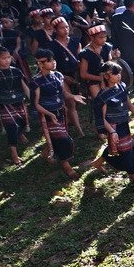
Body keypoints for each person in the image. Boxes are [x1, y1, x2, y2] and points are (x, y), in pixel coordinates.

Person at [94, 61, 134, 191]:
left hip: (124, 124)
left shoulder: (122, 86)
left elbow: (129, 104)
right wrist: (112, 132)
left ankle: (100, 161)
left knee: (125, 148)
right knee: (128, 152)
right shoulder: (102, 96)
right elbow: (102, 118)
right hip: (114, 127)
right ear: (107, 76)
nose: (119, 76)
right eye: (115, 73)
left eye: (119, 73)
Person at [31, 48, 86, 179]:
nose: (53, 63)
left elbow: (62, 93)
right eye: (49, 61)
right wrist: (50, 115)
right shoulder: (36, 82)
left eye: (53, 59)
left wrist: (73, 97)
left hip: (60, 112)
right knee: (64, 140)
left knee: (57, 137)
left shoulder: (58, 76)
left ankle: (46, 152)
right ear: (40, 64)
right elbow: (36, 104)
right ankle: (66, 164)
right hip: (47, 115)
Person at [78, 24, 114, 137]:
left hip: (106, 78)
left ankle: (112, 126)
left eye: (105, 37)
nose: (103, 40)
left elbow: (109, 64)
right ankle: (101, 129)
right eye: (100, 37)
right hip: (93, 80)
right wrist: (100, 78)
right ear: (92, 38)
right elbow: (83, 74)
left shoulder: (107, 47)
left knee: (111, 102)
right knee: (100, 102)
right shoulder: (85, 53)